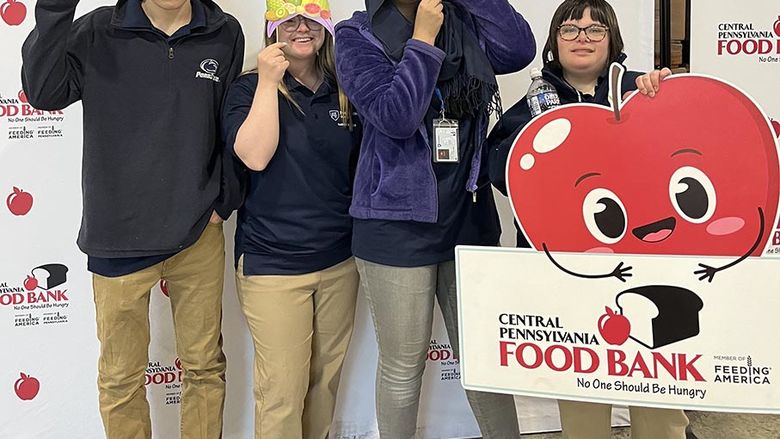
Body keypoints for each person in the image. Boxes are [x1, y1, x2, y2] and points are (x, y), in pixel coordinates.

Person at [21, 0, 245, 438]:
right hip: (117, 237)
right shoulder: (98, 29)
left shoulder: (223, 31)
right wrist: (54, 11)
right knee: (121, 377)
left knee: (204, 367)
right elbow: (44, 92)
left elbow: (230, 120)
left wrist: (225, 199)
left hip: (198, 235)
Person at [335, 0, 535, 437]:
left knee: (483, 361)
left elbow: (519, 50)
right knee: (403, 367)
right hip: (395, 224)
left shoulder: (464, 23)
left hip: (469, 217)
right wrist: (423, 39)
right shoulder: (357, 35)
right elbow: (396, 117)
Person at [486, 1, 684, 438]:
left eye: (595, 30)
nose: (583, 38)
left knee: (659, 396)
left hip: (649, 267)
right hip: (568, 275)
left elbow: (681, 159)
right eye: (571, 29)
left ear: (613, 40)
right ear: (554, 42)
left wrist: (667, 100)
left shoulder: (643, 92)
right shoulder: (532, 106)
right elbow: (501, 171)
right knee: (582, 397)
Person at [221, 1, 361, 437]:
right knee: (283, 391)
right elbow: (255, 156)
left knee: (323, 385)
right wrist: (268, 81)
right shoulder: (248, 89)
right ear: (271, 27)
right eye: (289, 20)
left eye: (311, 19)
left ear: (326, 26)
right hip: (274, 266)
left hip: (340, 261)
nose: (301, 28)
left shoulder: (345, 88)